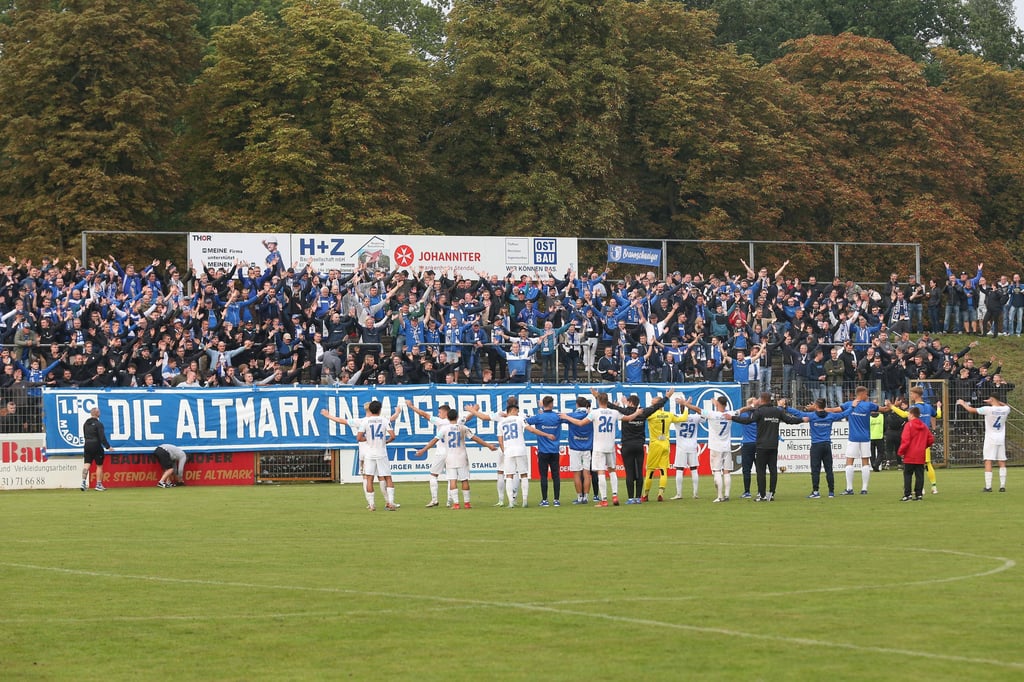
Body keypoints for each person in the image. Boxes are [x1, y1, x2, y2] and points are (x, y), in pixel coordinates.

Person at [467, 399, 555, 508]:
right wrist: (546, 432)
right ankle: (523, 500)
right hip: (520, 448)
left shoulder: (500, 418)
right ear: (514, 408)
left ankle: (507, 501)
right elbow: (532, 428)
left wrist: (472, 410)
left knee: (506, 474)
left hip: (507, 450)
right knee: (522, 474)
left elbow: (486, 420)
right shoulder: (521, 417)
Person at [562, 390, 638, 506]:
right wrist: (638, 413)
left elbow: (581, 423)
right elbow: (629, 418)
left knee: (601, 472)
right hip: (610, 446)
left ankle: (604, 499)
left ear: (598, 401)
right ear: (607, 401)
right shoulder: (614, 412)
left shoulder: (595, 413)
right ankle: (615, 495)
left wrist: (566, 417)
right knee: (612, 470)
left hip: (599, 447)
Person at [321, 401, 398, 511]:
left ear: (369, 410)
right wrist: (386, 441)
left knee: (368, 478)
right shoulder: (384, 420)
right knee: (386, 477)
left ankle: (371, 504)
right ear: (380, 409)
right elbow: (393, 434)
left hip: (368, 454)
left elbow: (352, 431)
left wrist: (328, 416)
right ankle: (390, 502)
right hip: (381, 453)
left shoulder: (363, 421)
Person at [729, 393, 807, 501]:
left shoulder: (759, 411)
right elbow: (789, 420)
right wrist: (802, 420)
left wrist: (732, 418)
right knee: (773, 469)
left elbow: (747, 421)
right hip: (773, 445)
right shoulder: (777, 411)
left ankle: (762, 495)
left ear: (761, 400)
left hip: (761, 445)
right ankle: (772, 493)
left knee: (761, 471)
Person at [417, 408, 497, 509]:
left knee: (452, 480)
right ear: (457, 417)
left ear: (448, 417)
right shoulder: (463, 427)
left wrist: (423, 450)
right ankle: (467, 503)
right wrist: (488, 445)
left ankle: (456, 504)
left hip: (450, 457)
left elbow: (434, 441)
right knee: (464, 480)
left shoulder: (444, 429)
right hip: (462, 456)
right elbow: (475, 438)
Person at [405, 400, 469, 508]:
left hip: (441, 453)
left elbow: (424, 414)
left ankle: (434, 499)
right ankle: (450, 501)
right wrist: (474, 409)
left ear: (445, 413)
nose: (439, 414)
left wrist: (411, 406)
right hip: (452, 454)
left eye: (440, 412)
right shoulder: (459, 423)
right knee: (451, 478)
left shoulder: (440, 421)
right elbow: (468, 417)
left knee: (433, 475)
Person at [786, 399, 851, 499]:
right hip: (827, 445)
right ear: (825, 406)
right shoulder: (831, 415)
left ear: (816, 406)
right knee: (829, 469)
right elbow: (844, 414)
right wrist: (854, 407)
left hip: (816, 445)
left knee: (815, 470)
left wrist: (786, 408)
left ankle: (816, 492)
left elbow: (798, 413)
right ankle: (831, 492)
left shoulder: (812, 416)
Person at [837, 386, 890, 496]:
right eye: (866, 394)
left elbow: (834, 410)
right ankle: (864, 489)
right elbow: (884, 409)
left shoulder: (849, 404)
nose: (867, 396)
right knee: (865, 462)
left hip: (853, 438)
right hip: (865, 438)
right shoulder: (869, 405)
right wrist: (893, 406)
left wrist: (817, 409)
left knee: (849, 461)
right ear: (861, 394)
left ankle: (849, 488)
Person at [888, 386, 941, 494]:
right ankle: (934, 487)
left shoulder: (914, 408)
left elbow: (904, 414)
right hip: (925, 437)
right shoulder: (928, 406)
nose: (910, 395)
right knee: (928, 463)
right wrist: (939, 407)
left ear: (916, 395)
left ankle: (920, 489)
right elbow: (938, 415)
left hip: (916, 438)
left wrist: (892, 407)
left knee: (916, 465)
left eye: (911, 394)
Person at [957, 395, 1011, 492]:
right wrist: (996, 401)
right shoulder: (1005, 409)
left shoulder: (987, 409)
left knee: (988, 460)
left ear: (992, 399)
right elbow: (1006, 405)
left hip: (990, 438)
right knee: (1002, 461)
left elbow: (971, 410)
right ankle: (1002, 486)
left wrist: (963, 404)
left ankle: (988, 486)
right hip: (1000, 438)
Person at [525, 395, 565, 507]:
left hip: (543, 451)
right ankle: (556, 500)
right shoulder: (557, 416)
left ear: (543, 404)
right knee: (556, 476)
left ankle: (545, 500)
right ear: (552, 404)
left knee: (543, 476)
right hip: (555, 450)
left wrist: (540, 411)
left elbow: (525, 421)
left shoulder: (539, 417)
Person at [640, 388, 678, 502]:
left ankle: (645, 495)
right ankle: (661, 493)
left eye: (652, 404)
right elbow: (683, 418)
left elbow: (641, 416)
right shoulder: (669, 415)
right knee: (663, 470)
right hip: (665, 444)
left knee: (650, 470)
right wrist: (685, 407)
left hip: (655, 444)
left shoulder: (651, 415)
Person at [560, 397, 594, 504]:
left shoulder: (571, 415)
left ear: (577, 405)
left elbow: (558, 417)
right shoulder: (591, 415)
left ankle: (579, 497)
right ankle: (586, 497)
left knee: (577, 474)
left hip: (575, 448)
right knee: (587, 473)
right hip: (587, 447)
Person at [897, 406, 933, 501]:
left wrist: (901, 451)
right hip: (920, 454)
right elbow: (931, 439)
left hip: (910, 454)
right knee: (919, 475)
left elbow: (906, 440)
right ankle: (919, 494)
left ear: (912, 415)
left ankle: (907, 494)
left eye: (909, 414)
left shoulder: (908, 425)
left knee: (908, 474)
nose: (908, 416)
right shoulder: (924, 426)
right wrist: (923, 446)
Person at [81, 407, 112, 492]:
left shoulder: (85, 423)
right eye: (99, 411)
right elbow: (102, 437)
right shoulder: (99, 424)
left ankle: (83, 482)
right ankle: (98, 484)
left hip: (87, 444)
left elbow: (85, 434)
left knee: (86, 464)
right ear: (97, 413)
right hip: (96, 445)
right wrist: (108, 447)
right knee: (99, 466)